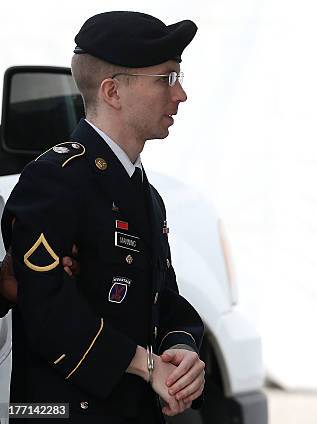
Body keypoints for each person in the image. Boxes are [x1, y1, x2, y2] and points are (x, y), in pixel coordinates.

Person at [0, 11, 206, 423]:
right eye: (167, 78)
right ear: (113, 92)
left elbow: (162, 299)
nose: (181, 94)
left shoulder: (147, 195)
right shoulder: (55, 179)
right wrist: (145, 365)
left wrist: (182, 352)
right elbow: (46, 309)